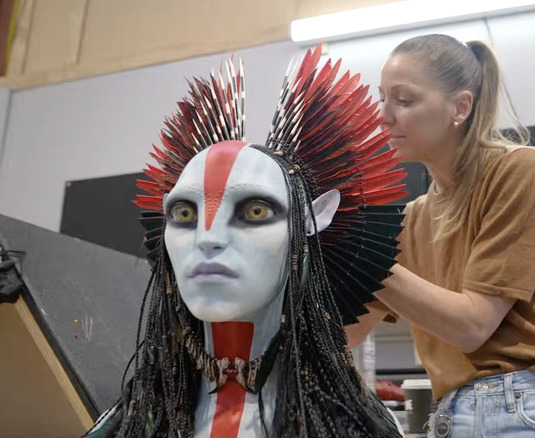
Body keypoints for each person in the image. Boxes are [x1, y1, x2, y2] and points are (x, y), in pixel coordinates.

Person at [81, 46, 405, 438]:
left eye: (255, 211)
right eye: (184, 213)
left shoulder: (353, 425)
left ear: (311, 225)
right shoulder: (136, 419)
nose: (208, 238)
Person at [347, 34, 535, 437]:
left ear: (460, 107)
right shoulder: (410, 220)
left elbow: (472, 326)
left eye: (403, 101)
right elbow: (343, 332)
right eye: (382, 97)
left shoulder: (520, 169)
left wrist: (362, 252)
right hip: (455, 417)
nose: (383, 115)